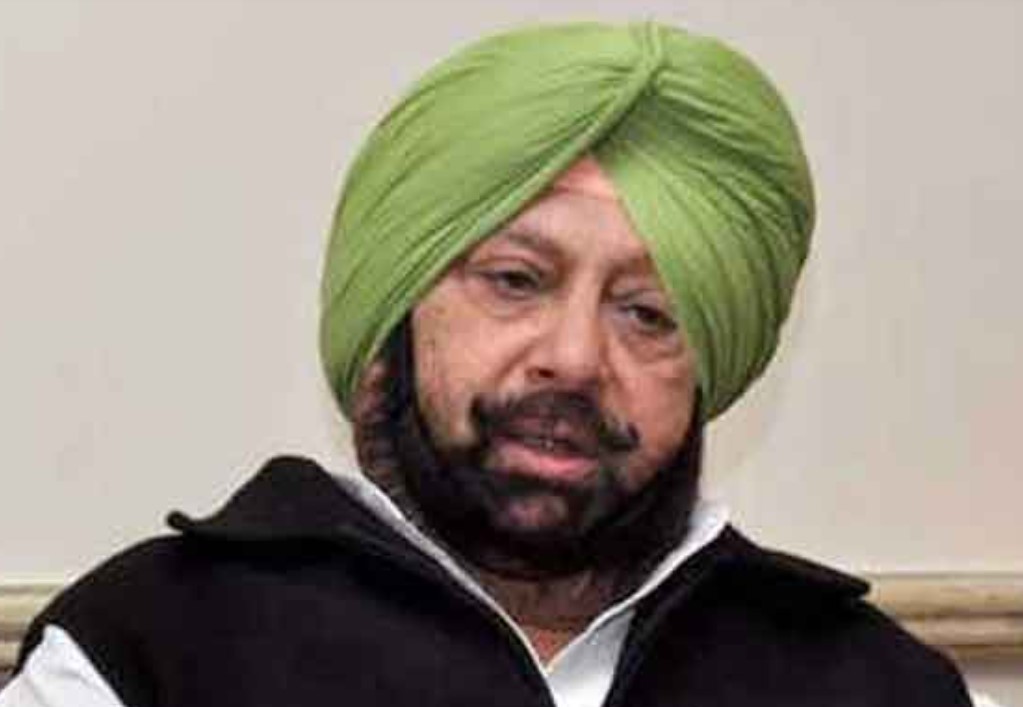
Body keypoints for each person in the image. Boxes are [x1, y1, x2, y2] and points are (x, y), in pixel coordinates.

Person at [0, 20, 1001, 707]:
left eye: (647, 312)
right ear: (398, 313)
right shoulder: (147, 652)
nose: (574, 358)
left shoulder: (874, 684)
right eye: (515, 280)